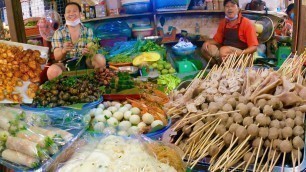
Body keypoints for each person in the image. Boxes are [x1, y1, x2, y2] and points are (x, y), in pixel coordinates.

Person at [47, 2, 106, 80]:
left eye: (74, 11)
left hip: (85, 62)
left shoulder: (87, 30)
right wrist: (63, 51)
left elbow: (92, 50)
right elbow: (57, 57)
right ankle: (64, 88)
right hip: (65, 64)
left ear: (80, 14)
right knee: (52, 71)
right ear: (64, 16)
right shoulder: (59, 32)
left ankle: (96, 82)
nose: (71, 13)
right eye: (68, 12)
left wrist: (89, 51)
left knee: (100, 59)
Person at [201, 0, 258, 65]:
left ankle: (231, 68)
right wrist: (207, 42)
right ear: (224, 9)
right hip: (226, 54)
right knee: (205, 48)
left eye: (232, 6)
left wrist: (241, 53)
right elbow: (218, 40)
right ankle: (217, 67)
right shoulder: (223, 22)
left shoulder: (246, 23)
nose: (229, 8)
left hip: (242, 55)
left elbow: (254, 47)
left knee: (223, 50)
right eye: (227, 6)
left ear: (238, 9)